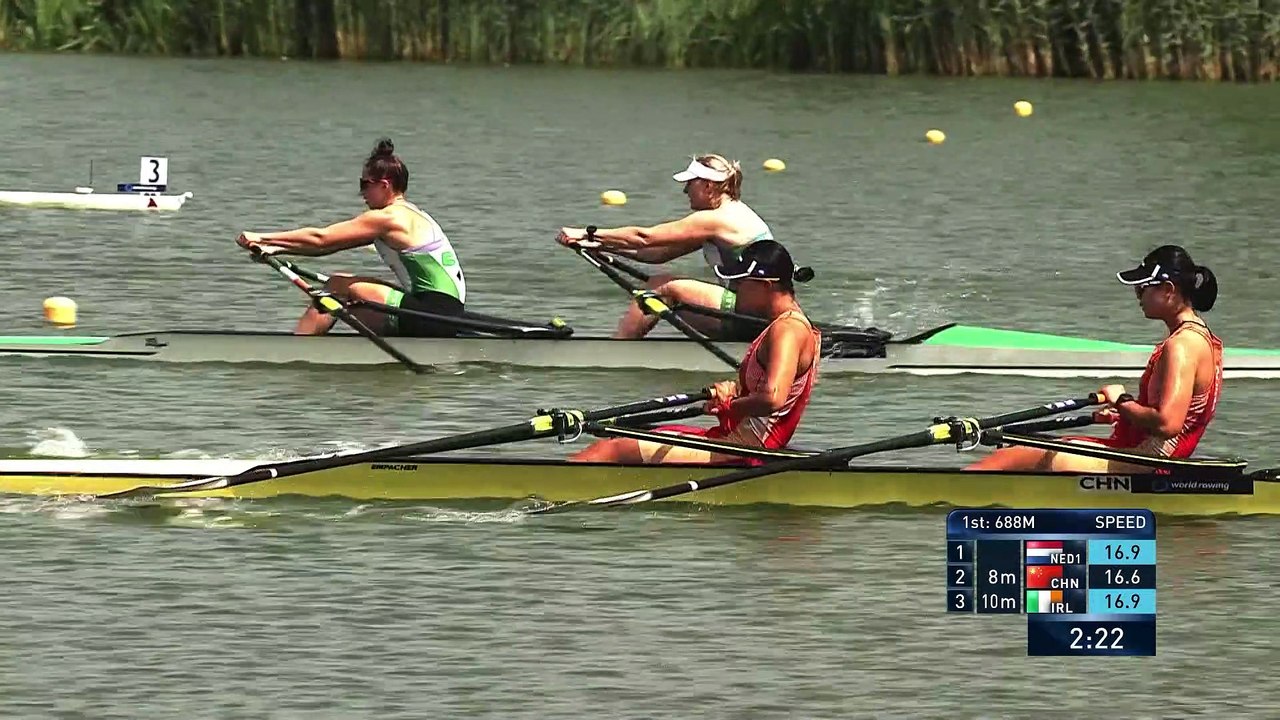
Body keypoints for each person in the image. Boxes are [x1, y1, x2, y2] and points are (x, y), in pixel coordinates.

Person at [966, 245, 1223, 473]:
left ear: (1168, 290)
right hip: (1150, 458)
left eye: (1142, 287)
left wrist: (1121, 400)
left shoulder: (1181, 346)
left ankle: (951, 497)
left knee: (1010, 457)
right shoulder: (1199, 337)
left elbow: (1168, 424)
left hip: (1147, 462)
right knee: (1024, 448)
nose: (1137, 295)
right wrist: (1127, 413)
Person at [569, 240, 820, 465]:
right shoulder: (788, 325)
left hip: (744, 450)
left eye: (741, 282)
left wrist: (729, 405)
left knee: (610, 450)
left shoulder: (788, 330)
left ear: (766, 286)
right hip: (737, 441)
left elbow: (772, 399)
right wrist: (736, 390)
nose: (734, 289)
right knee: (618, 438)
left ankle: (543, 494)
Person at [236, 138, 467, 337]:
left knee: (336, 286)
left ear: (385, 185)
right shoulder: (413, 214)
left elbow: (321, 238)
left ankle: (295, 350)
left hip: (431, 317)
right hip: (442, 313)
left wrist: (263, 237)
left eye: (365, 184)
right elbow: (324, 248)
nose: (361, 193)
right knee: (342, 279)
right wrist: (276, 250)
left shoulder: (388, 218)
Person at [556, 154, 773, 341]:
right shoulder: (726, 217)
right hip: (753, 312)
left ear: (708, 186)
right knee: (659, 281)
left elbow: (645, 237)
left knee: (662, 288)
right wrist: (599, 245)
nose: (685, 190)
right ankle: (624, 346)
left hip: (751, 315)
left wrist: (586, 233)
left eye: (690, 183)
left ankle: (617, 350)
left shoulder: (718, 219)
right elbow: (655, 254)